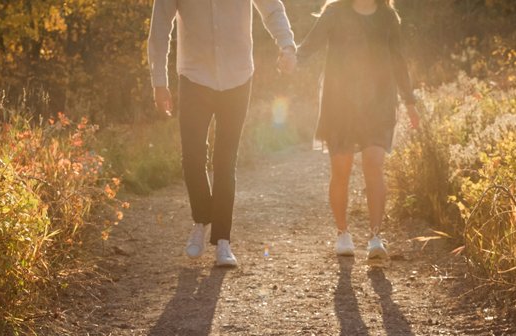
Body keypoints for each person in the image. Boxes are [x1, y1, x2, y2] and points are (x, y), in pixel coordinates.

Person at [148, 0, 299, 268]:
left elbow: (272, 9)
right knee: (192, 158)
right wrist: (159, 82)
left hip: (238, 77)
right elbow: (160, 28)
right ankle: (201, 218)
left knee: (225, 161)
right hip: (194, 77)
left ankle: (222, 240)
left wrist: (286, 45)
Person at [297, 0, 419, 261]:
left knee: (373, 163)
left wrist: (410, 101)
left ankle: (376, 237)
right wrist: (291, 59)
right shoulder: (334, 13)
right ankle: (343, 233)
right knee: (341, 170)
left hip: (379, 103)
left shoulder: (388, 16)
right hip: (340, 104)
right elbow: (309, 45)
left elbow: (398, 60)